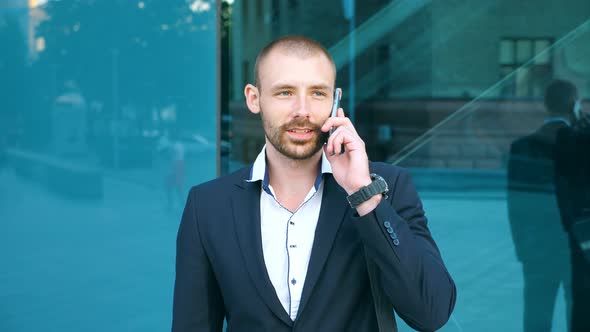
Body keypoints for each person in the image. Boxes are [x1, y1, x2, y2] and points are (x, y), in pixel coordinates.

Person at [172, 35, 456, 331]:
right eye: (285, 93)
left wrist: (365, 195)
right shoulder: (206, 206)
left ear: (335, 100)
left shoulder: (387, 187)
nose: (302, 110)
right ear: (254, 99)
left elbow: (432, 312)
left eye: (318, 94)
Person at [507, 79, 574, 331]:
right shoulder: (582, 143)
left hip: (536, 249)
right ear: (575, 105)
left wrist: (523, 248)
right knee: (578, 314)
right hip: (575, 248)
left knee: (536, 316)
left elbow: (516, 205)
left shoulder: (521, 147)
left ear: (545, 105)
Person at [553, 80, 590, 332]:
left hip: (580, 229)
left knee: (582, 295)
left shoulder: (574, 134)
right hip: (583, 227)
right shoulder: (573, 135)